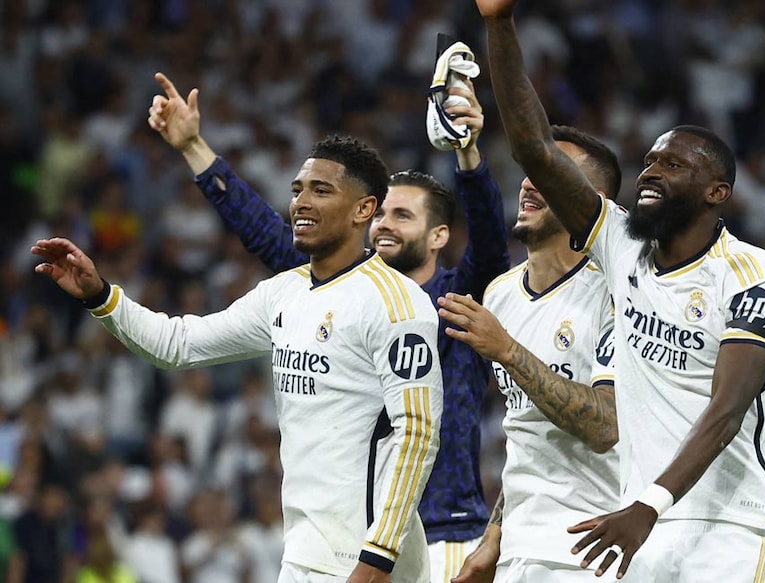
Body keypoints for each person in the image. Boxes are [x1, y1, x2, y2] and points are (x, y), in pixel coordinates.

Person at [147, 72, 509, 582]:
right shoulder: (334, 290)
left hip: (446, 532)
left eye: (402, 217)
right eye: (380, 214)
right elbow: (266, 231)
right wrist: (194, 149)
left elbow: (493, 245)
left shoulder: (452, 300)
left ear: (438, 237)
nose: (383, 224)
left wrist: (468, 154)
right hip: (352, 543)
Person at [31, 135, 443, 583]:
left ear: (364, 210)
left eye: (320, 190)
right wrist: (100, 295)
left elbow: (417, 433)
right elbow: (179, 344)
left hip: (365, 559)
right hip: (306, 551)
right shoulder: (283, 293)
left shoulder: (397, 304)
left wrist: (377, 559)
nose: (301, 202)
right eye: (297, 189)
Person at [478, 1, 765, 580]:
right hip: (638, 533)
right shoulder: (623, 247)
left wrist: (651, 505)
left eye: (673, 164)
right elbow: (535, 149)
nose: (650, 171)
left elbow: (727, 410)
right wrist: (500, 25)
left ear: (716, 192)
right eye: (649, 160)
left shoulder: (756, 270)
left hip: (727, 530)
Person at [439, 125, 623, 582]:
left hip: (589, 551)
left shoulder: (616, 291)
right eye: (528, 170)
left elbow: (606, 425)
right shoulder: (501, 294)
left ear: (589, 200)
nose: (527, 181)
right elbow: (526, 433)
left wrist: (506, 349)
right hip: (518, 548)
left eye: (549, 171)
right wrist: (493, 538)